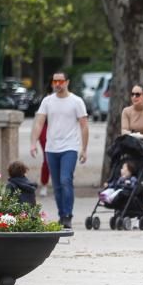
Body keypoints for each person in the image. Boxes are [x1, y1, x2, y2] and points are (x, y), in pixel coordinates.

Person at [30, 71, 88, 230]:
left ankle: (68, 214)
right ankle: (62, 214)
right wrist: (33, 143)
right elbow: (39, 122)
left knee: (65, 180)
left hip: (70, 147)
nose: (57, 84)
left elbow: (84, 125)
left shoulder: (76, 101)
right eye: (55, 81)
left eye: (60, 81)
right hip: (51, 148)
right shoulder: (47, 101)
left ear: (67, 82)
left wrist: (84, 149)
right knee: (56, 184)